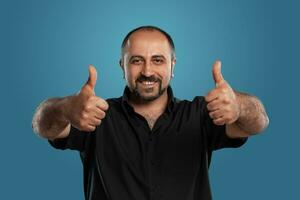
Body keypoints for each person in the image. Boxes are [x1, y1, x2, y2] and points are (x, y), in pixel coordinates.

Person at [32, 26, 269, 200]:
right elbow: (42, 126)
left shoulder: (201, 114)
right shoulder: (94, 115)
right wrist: (65, 107)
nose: (147, 71)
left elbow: (258, 123)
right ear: (122, 66)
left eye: (157, 60)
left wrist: (238, 105)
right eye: (136, 60)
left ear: (172, 66)